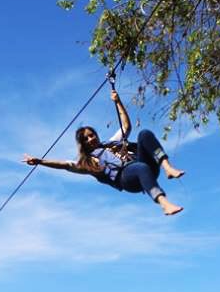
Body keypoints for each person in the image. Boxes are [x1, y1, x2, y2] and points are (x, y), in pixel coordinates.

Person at [23, 90, 185, 215]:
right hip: (127, 179)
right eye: (86, 139)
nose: (90, 139)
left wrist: (118, 102)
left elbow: (126, 126)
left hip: (145, 167)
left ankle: (167, 167)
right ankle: (165, 204)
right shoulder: (89, 162)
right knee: (140, 168)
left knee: (144, 134)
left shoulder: (111, 142)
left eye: (91, 135)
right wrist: (40, 161)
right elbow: (65, 165)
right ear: (83, 144)